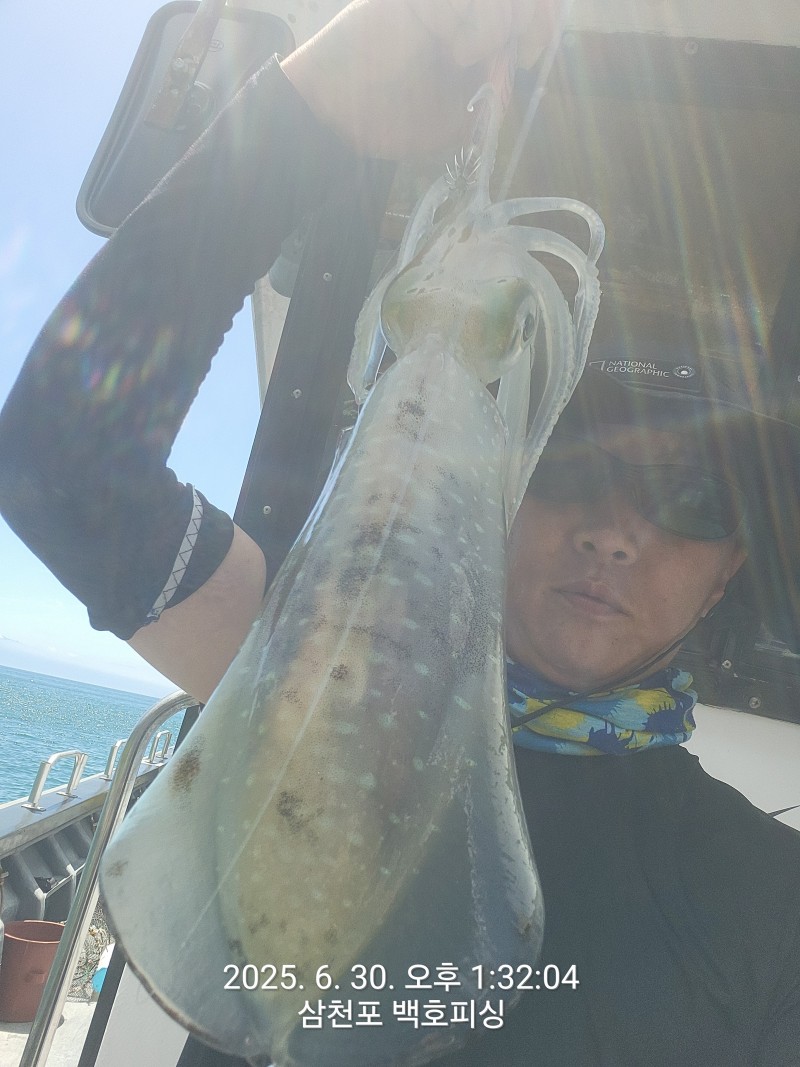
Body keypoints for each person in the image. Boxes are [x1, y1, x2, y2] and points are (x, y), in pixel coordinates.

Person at [1, 1, 799, 1064]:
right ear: (506, 484)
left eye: (691, 500)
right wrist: (312, 112)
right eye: (576, 470)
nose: (616, 532)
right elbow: (59, 461)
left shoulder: (771, 901)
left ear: (725, 574)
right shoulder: (306, 663)